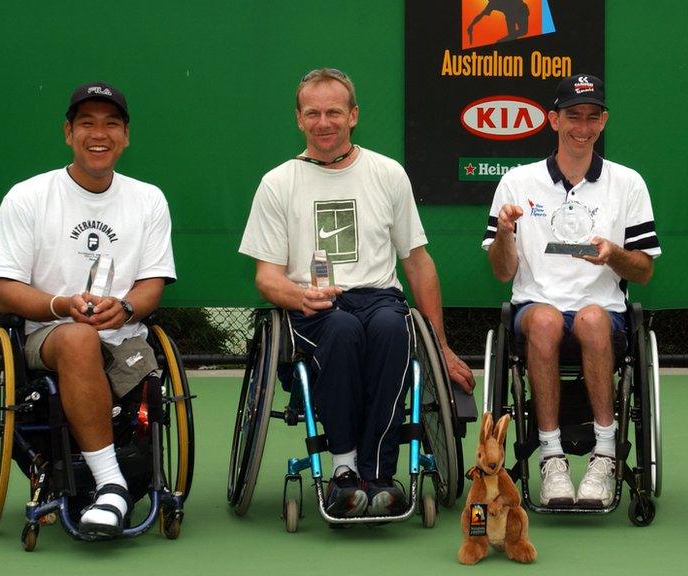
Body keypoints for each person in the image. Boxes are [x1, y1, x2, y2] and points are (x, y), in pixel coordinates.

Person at [239, 68, 473, 519]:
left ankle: (381, 477)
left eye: (333, 112)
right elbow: (266, 277)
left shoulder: (387, 173)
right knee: (342, 329)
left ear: (353, 116)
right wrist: (296, 295)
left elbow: (418, 263)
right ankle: (345, 471)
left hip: (380, 298)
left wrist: (440, 345)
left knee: (390, 328)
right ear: (299, 119)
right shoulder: (278, 182)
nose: (323, 122)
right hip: (314, 305)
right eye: (313, 113)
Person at [0, 82, 177, 538]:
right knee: (77, 336)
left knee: (103, 341)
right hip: (48, 337)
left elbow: (152, 284)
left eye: (111, 123)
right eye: (87, 122)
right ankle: (112, 485)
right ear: (68, 132)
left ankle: (110, 475)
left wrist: (126, 308)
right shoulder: (27, 196)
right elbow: (4, 291)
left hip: (124, 340)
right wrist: (61, 305)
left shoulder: (149, 199)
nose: (99, 133)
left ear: (126, 136)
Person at [481, 74, 660, 507]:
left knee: (592, 317)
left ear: (604, 122)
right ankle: (551, 457)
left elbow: (644, 271)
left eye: (592, 117)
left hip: (603, 311)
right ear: (553, 120)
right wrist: (506, 232)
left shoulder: (628, 183)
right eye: (573, 116)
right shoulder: (517, 182)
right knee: (543, 319)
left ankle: (604, 455)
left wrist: (613, 254)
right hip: (536, 307)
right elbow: (503, 272)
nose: (583, 126)